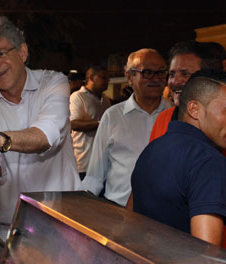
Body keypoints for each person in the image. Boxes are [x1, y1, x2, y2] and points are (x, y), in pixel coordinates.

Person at [0, 16, 82, 240]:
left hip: (64, 223)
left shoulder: (53, 83)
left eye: (1, 53)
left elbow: (46, 137)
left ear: (22, 52)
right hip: (13, 227)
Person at [131, 71, 226, 246]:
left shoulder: (152, 149)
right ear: (194, 109)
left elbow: (131, 218)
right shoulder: (208, 161)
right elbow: (206, 255)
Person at [83, 48, 171, 206]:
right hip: (119, 212)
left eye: (161, 72)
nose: (156, 78)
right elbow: (95, 176)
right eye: (147, 72)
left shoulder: (176, 116)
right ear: (129, 77)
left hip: (164, 216)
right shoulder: (112, 116)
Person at [149, 41, 224, 142]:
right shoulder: (163, 119)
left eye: (185, 74)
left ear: (207, 78)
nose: (175, 81)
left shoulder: (221, 119)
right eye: (171, 74)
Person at [70, 65, 111, 179]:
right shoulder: (78, 97)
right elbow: (73, 124)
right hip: (84, 162)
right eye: (103, 77)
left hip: (102, 162)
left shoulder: (105, 100)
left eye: (108, 78)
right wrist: (101, 123)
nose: (107, 81)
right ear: (92, 77)